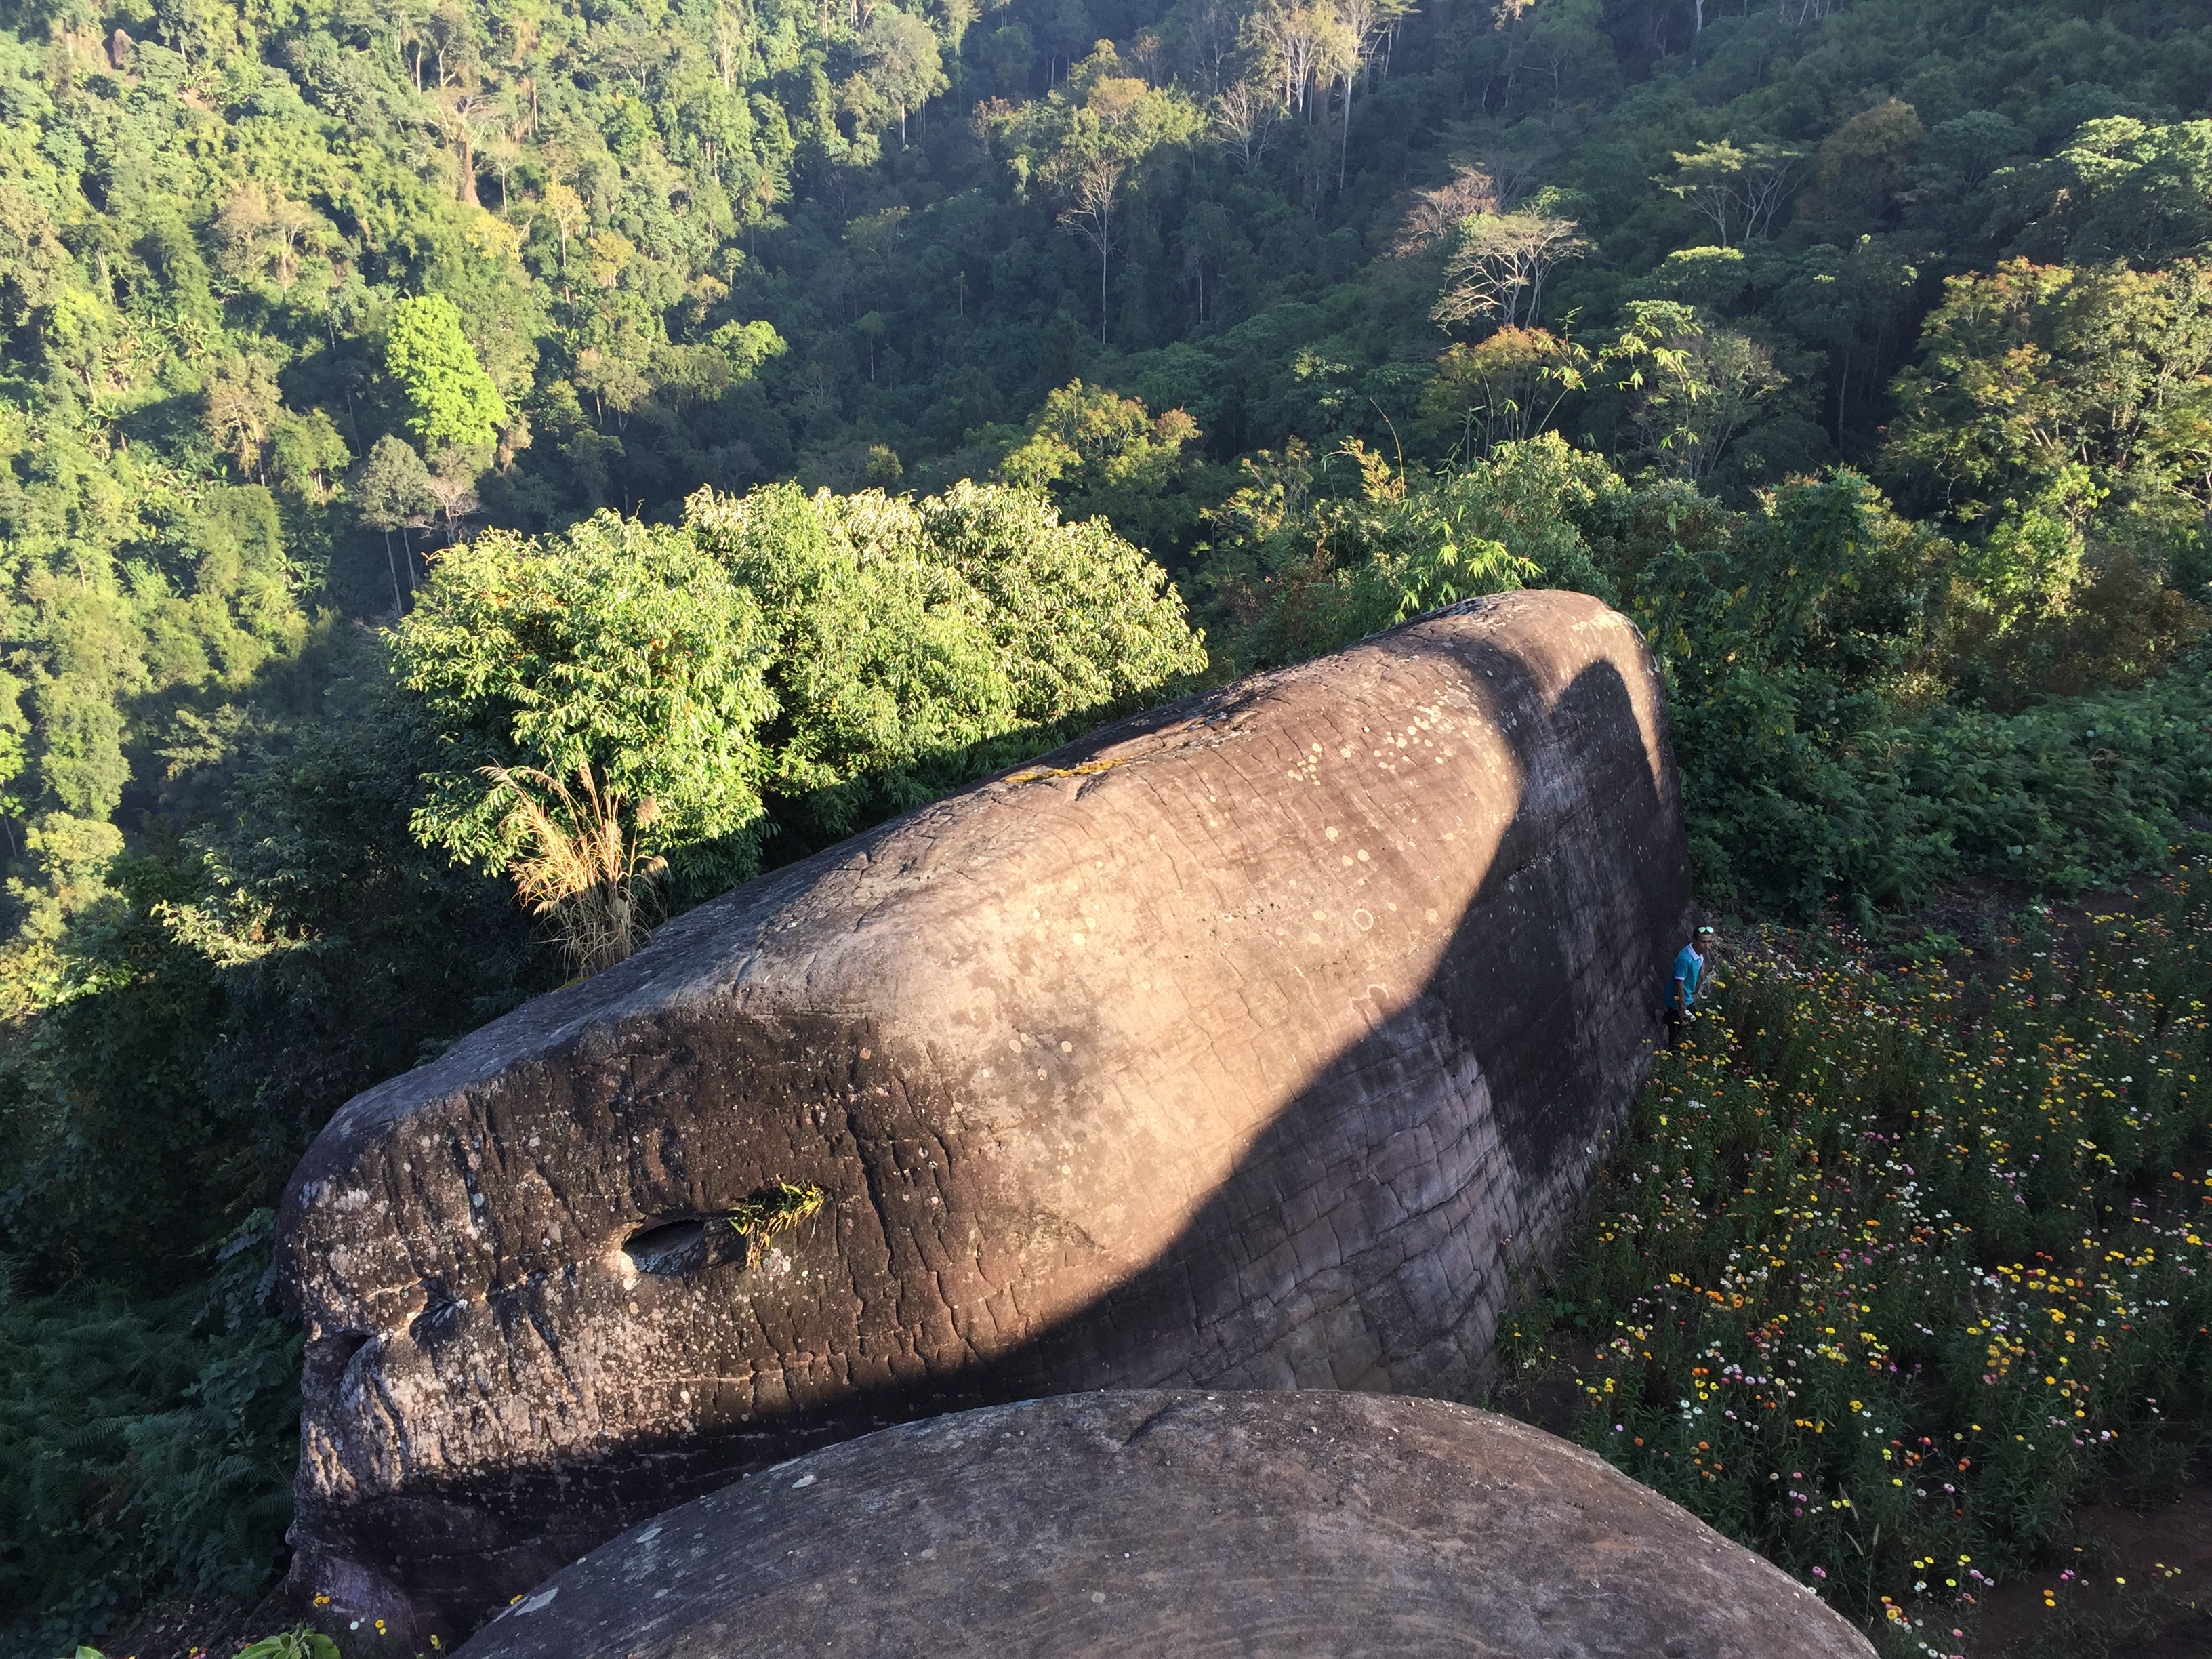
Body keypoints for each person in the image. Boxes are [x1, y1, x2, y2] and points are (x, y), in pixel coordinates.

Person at [1666, 923, 1715, 1047]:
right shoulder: (1685, 959)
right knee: (1677, 1033)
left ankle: (1668, 1019)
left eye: (1709, 942)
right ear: (1694, 940)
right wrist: (1682, 1008)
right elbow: (1678, 983)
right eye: (1703, 942)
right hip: (1678, 999)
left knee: (1685, 1026)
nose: (1707, 946)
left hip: (1687, 997)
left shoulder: (1699, 955)